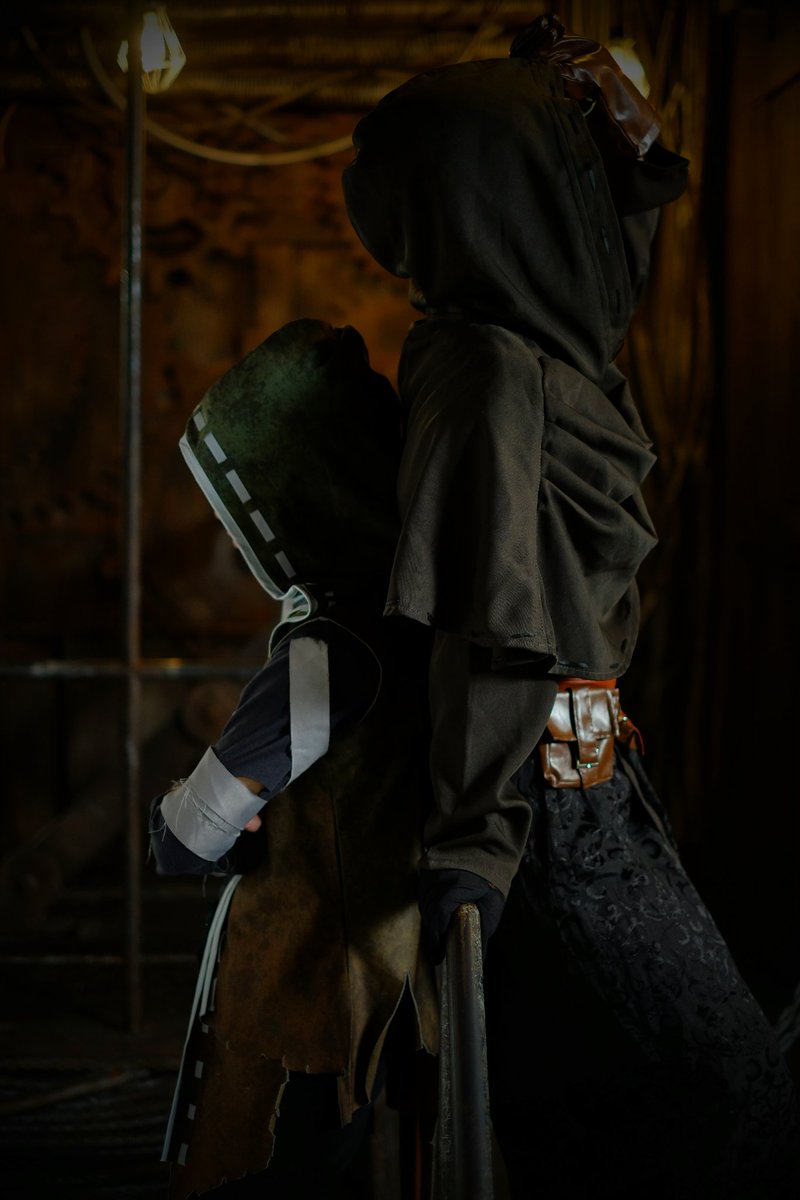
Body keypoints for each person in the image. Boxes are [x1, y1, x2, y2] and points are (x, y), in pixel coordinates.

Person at [341, 14, 800, 1196]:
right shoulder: (492, 375)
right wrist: (476, 846)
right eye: (562, 192)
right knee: (724, 1092)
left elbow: (633, 209)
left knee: (615, 1111)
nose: (603, 227)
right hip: (530, 803)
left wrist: (600, 107)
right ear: (507, 214)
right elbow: (489, 630)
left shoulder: (552, 356)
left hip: (586, 775)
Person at [149, 318, 439, 1199]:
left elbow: (188, 839)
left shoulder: (330, 649)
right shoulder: (419, 625)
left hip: (309, 991)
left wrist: (186, 817)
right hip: (394, 979)